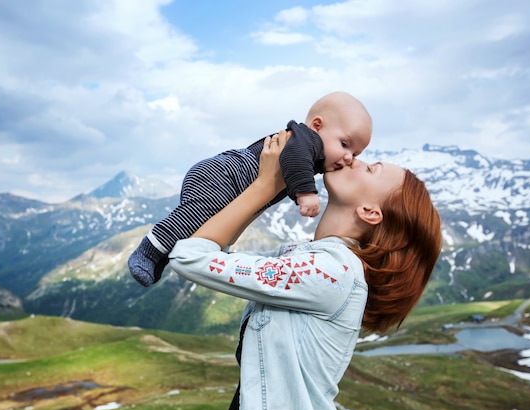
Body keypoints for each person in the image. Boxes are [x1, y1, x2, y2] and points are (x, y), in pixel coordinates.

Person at [168, 130, 443, 410]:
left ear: (370, 212)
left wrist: (265, 186)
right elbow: (217, 253)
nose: (355, 161)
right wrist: (272, 185)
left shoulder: (331, 273)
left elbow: (189, 257)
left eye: (371, 169)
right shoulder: (311, 259)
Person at [128, 91, 373, 287]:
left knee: (199, 228)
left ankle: (160, 257)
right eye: (344, 144)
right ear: (317, 126)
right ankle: (149, 250)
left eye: (356, 153)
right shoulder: (306, 141)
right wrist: (306, 193)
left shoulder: (315, 152)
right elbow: (296, 161)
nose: (349, 157)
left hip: (232, 184)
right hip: (225, 175)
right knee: (194, 215)